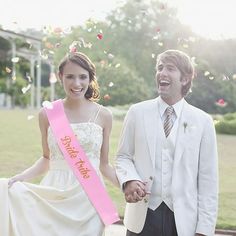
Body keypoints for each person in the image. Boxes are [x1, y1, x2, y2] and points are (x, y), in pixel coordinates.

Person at [0, 51, 119, 236]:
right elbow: (46, 159)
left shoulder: (104, 115)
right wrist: (19, 178)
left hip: (89, 199)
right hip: (54, 195)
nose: (77, 83)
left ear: (90, 78)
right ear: (60, 77)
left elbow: (104, 165)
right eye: (70, 77)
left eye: (82, 77)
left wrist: (127, 186)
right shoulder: (48, 113)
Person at [115, 49, 218, 236]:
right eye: (160, 67)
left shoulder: (203, 121)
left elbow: (208, 180)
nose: (162, 73)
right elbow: (123, 157)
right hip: (142, 217)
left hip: (183, 222)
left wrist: (204, 229)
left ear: (185, 79)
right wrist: (129, 179)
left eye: (170, 68)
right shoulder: (137, 112)